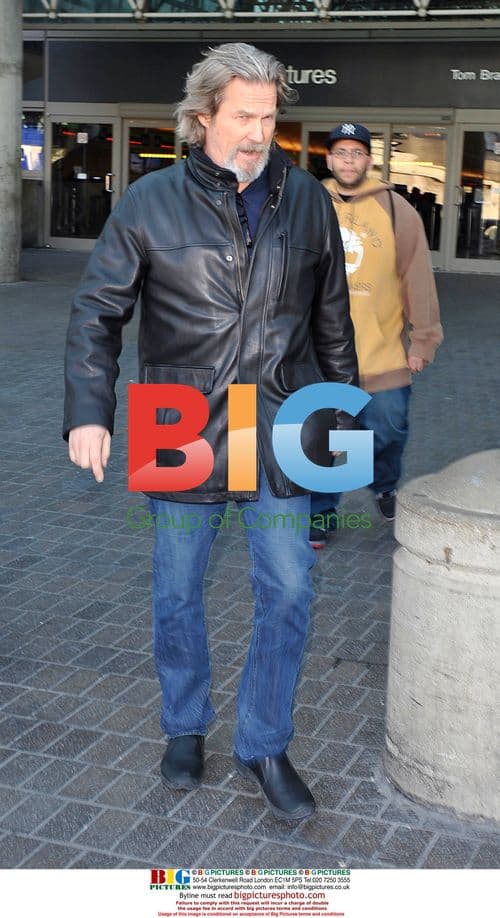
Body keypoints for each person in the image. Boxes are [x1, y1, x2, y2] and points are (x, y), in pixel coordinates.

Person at [63, 44, 358, 819]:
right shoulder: (148, 201)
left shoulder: (307, 202)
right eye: (244, 115)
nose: (260, 131)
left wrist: (341, 427)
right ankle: (185, 726)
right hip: (183, 416)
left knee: (291, 586)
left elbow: (333, 324)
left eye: (270, 116)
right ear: (202, 118)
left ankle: (264, 743)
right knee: (176, 589)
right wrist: (90, 412)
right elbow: (97, 313)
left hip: (281, 417)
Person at [309, 122, 443, 549]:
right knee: (323, 439)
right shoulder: (308, 204)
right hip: (320, 357)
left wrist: (423, 340)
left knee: (387, 430)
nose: (349, 160)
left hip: (383, 353)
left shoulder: (395, 208)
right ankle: (321, 511)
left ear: (369, 159)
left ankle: (384, 484)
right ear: (328, 159)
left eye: (357, 153)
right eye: (341, 152)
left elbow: (416, 277)